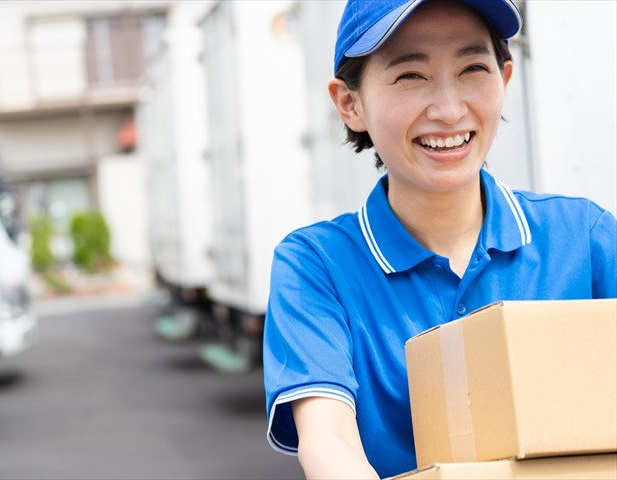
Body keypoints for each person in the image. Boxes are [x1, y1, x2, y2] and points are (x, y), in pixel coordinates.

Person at [262, 0, 617, 478]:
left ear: (504, 80)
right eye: (411, 76)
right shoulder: (317, 265)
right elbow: (330, 439)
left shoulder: (583, 240)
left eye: (473, 68)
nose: (449, 110)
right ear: (351, 104)